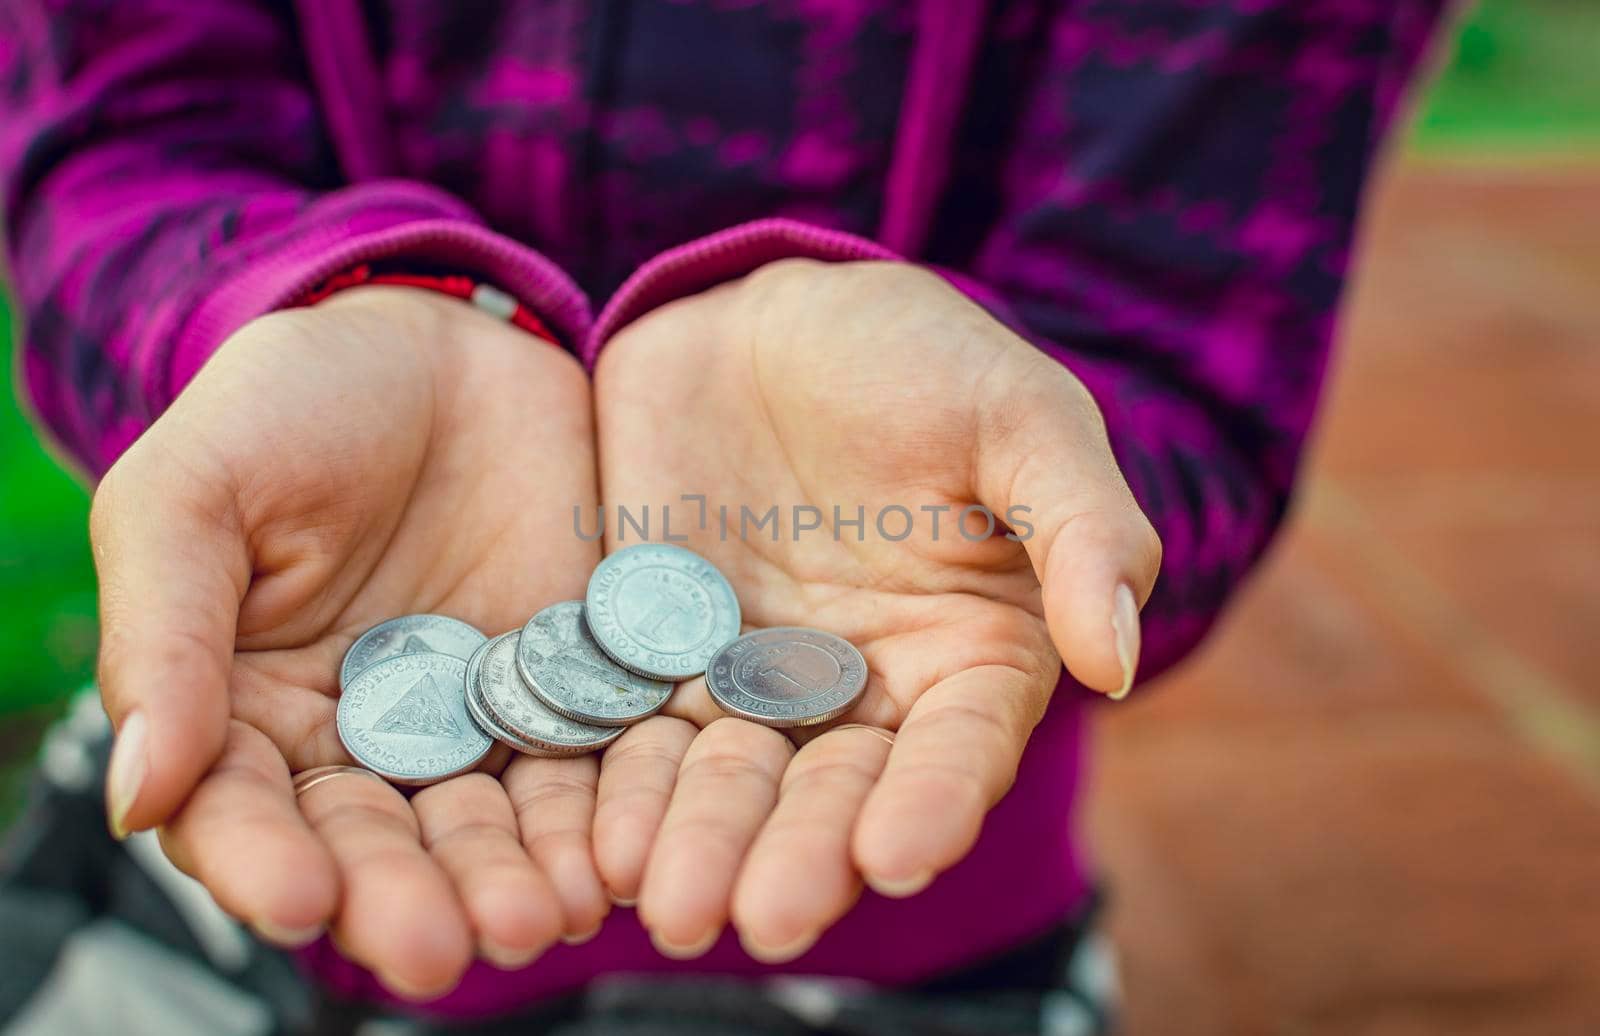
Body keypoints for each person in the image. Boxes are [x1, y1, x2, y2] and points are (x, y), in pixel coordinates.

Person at [0, 1, 1443, 1030]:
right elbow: (119, 138)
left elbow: (1183, 352)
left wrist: (1038, 460)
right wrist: (266, 312)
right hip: (257, 762)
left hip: (909, 893)